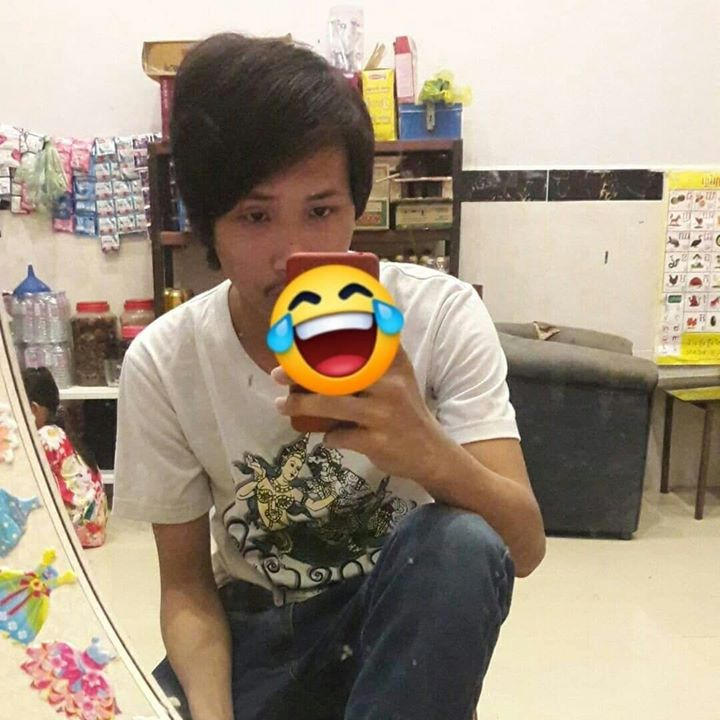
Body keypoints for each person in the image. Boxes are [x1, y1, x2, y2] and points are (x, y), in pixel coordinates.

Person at [113, 33, 546, 720]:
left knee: (458, 543)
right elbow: (187, 588)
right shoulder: (166, 362)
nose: (293, 253)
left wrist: (424, 448)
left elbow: (521, 547)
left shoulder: (437, 317)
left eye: (321, 210)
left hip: (394, 630)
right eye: (255, 215)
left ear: (356, 205)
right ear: (208, 225)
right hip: (254, 638)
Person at [22, 367, 108, 548]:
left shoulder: (44, 438)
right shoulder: (61, 430)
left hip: (78, 530)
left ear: (33, 409)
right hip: (95, 525)